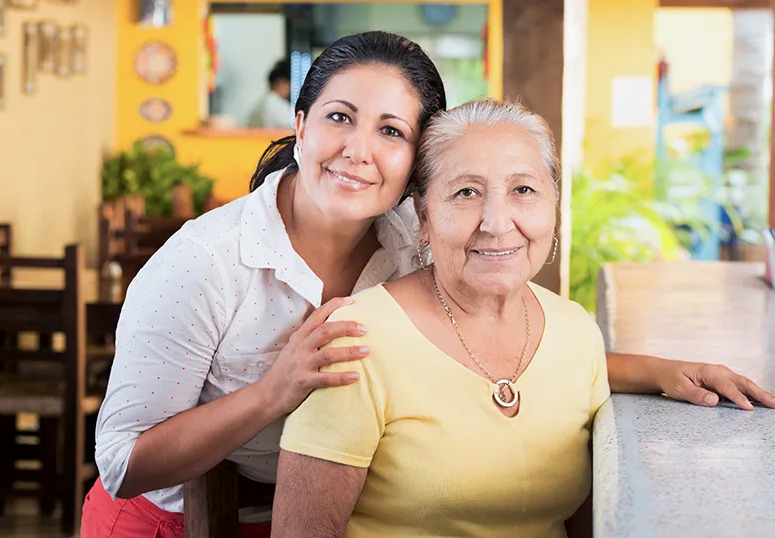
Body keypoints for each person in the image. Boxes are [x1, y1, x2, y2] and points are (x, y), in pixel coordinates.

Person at [82, 31, 774, 538]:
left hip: (293, 513)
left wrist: (663, 370)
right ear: (300, 126)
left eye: (390, 130)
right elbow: (123, 464)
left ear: (414, 168)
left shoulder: (413, 241)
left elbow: (497, 349)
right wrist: (275, 390)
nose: (358, 150)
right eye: (338, 118)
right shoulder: (205, 261)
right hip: (163, 519)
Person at [269, 98, 743, 538]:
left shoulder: (575, 330)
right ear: (424, 217)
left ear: (553, 205)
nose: (497, 223)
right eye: (466, 192)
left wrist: (663, 371)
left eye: (523, 189)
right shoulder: (356, 341)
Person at [246, 59, 294, 129]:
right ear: (281, 82)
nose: (290, 89)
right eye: (289, 84)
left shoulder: (259, 105)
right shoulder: (279, 106)